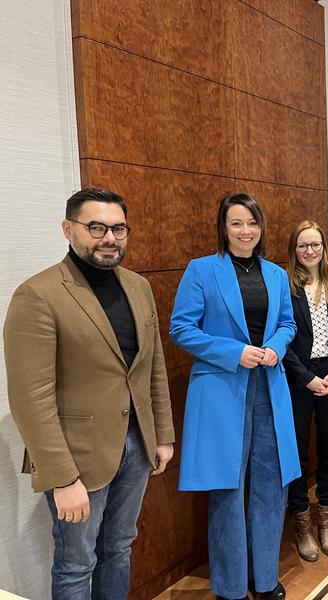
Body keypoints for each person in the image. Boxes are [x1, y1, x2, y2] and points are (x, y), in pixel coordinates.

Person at [4, 187, 175, 599]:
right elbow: (31, 398)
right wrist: (62, 479)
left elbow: (152, 367)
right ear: (69, 229)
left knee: (118, 548)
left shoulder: (137, 287)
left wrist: (163, 434)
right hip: (77, 458)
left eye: (118, 228)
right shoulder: (38, 295)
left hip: (137, 443)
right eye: (96, 227)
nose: (109, 238)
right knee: (76, 564)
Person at [169, 192, 300, 600]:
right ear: (223, 228)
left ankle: (265, 578)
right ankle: (229, 587)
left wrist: (277, 345)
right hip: (223, 390)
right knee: (226, 488)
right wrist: (233, 353)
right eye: (237, 223)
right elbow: (181, 329)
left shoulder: (276, 274)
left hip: (270, 385)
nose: (246, 231)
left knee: (271, 484)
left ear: (262, 228)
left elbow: (287, 322)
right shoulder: (202, 270)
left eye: (252, 223)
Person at [283, 220, 328, 562]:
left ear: (324, 248)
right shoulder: (284, 285)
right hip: (298, 379)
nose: (309, 251)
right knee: (297, 451)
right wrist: (306, 377)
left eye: (315, 245)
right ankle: (302, 523)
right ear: (294, 250)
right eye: (302, 246)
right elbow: (282, 338)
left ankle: (326, 519)